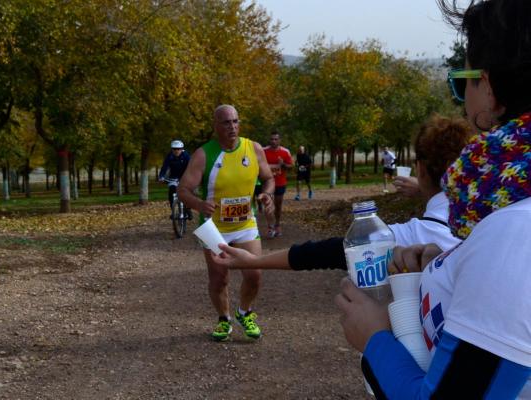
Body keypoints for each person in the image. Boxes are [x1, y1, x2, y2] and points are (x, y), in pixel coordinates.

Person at [336, 1, 531, 398]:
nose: (462, 101)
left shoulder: (514, 231)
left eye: (461, 81)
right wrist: (449, 271)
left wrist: (374, 337)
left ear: (490, 88)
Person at [212, 115, 470, 272]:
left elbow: (327, 252)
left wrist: (253, 261)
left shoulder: (414, 236)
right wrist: (424, 187)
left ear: (421, 168)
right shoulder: (494, 218)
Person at [177, 104, 275, 342]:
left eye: (235, 121)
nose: (232, 127)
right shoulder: (203, 154)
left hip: (245, 224)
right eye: (226, 122)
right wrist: (199, 205)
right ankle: (224, 319)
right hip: (214, 228)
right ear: (216, 126)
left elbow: (268, 178)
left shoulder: (254, 148)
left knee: (255, 274)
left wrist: (266, 194)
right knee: (219, 278)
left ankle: (245, 312)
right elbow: (183, 190)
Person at [263, 131, 293, 237]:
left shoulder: (285, 152)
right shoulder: (263, 151)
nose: (274, 141)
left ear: (279, 140)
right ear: (269, 140)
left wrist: (283, 164)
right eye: (272, 139)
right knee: (268, 205)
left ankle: (277, 225)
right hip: (267, 183)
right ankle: (270, 227)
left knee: (278, 205)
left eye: (276, 139)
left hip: (280, 182)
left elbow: (291, 166)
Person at [159, 140, 191, 219]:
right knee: (171, 191)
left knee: (187, 192)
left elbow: (191, 167)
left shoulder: (186, 156)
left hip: (185, 176)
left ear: (182, 149)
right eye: (174, 149)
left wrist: (191, 176)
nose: (176, 151)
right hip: (173, 177)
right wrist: (161, 176)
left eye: (178, 149)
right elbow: (164, 167)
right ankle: (173, 210)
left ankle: (188, 209)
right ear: (172, 149)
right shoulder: (169, 156)